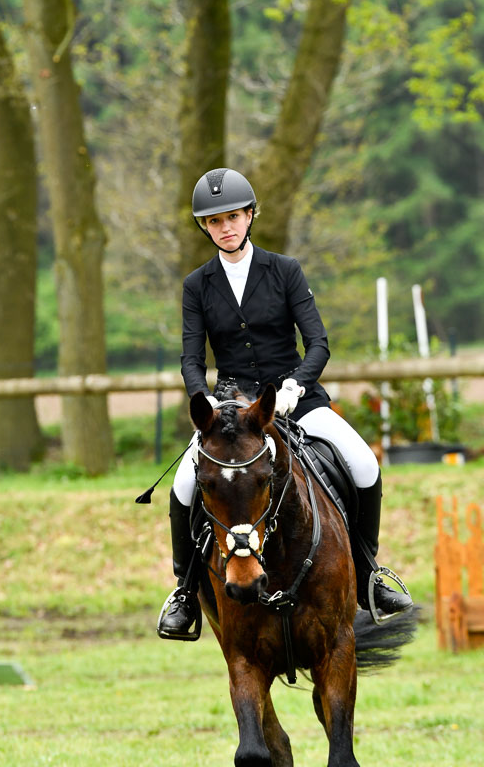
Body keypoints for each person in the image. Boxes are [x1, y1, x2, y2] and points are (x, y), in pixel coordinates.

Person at [159, 167, 413, 639]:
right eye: (215, 221)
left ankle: (371, 573)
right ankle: (183, 590)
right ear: (205, 227)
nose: (226, 227)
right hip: (232, 412)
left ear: (250, 215)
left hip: (297, 399)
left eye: (233, 216)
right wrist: (209, 402)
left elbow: (318, 341)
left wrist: (296, 384)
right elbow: (191, 357)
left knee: (363, 465)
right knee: (183, 485)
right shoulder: (198, 285)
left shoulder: (285, 270)